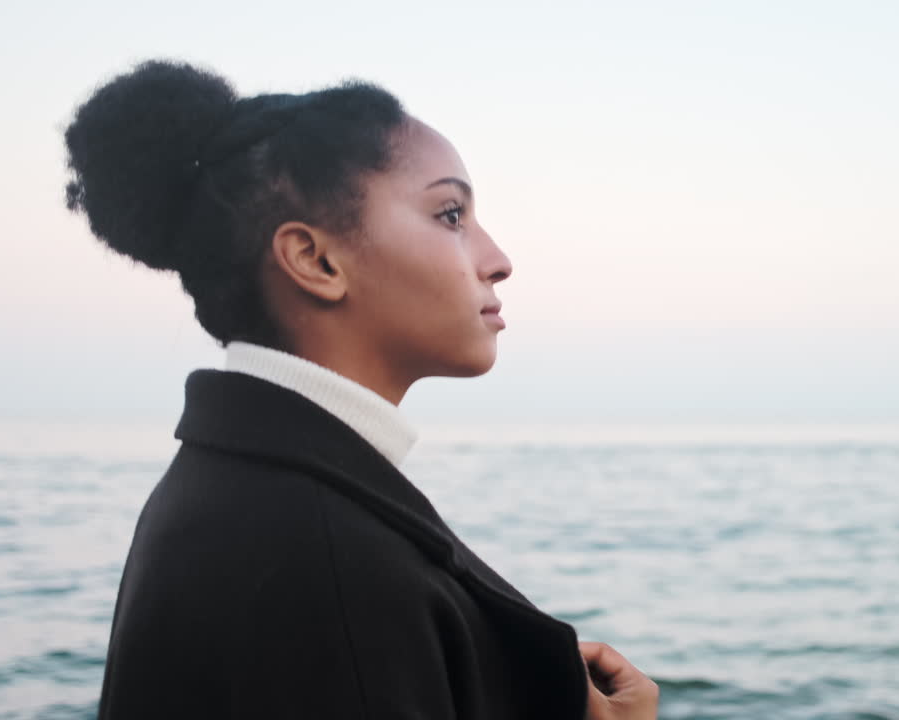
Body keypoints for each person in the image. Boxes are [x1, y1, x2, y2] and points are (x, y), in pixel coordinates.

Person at [63, 59, 658, 720]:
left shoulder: (241, 491)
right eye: (451, 213)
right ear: (316, 261)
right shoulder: (327, 566)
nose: (497, 259)